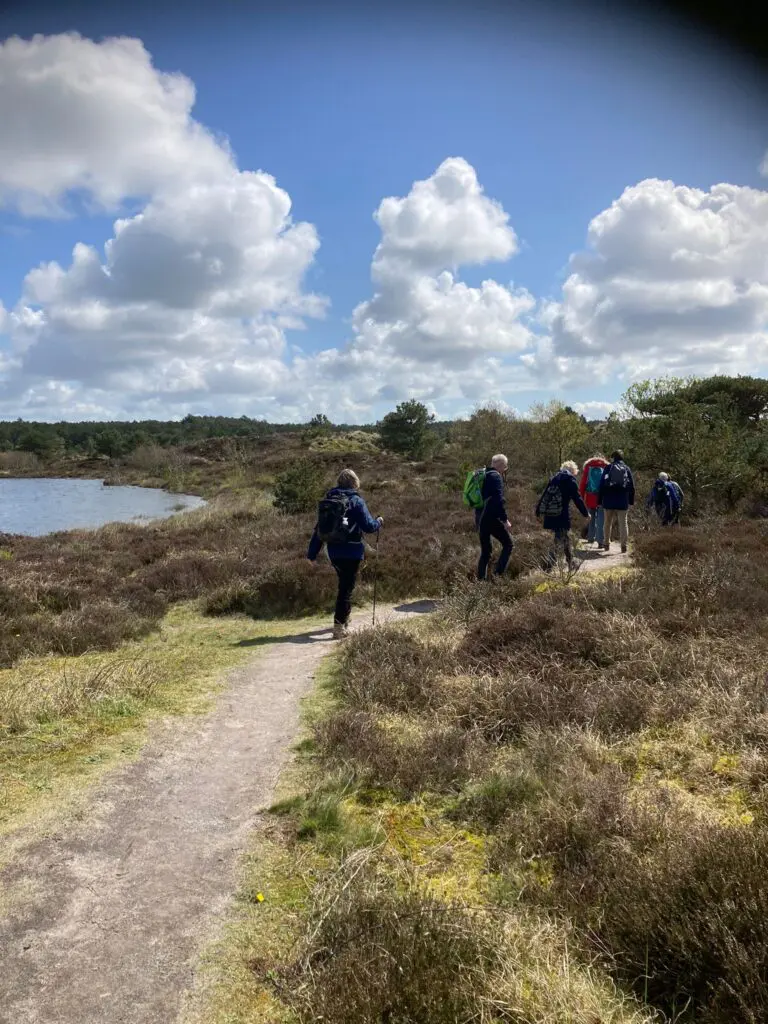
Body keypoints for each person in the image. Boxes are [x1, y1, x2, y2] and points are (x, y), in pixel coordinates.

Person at [306, 468, 383, 640]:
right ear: (354, 483)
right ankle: (339, 627)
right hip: (352, 551)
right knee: (346, 589)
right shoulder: (356, 501)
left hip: (333, 551)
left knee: (344, 585)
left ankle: (343, 619)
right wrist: (379, 522)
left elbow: (319, 530)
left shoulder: (329, 501)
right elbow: (369, 527)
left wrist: (311, 554)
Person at [536, 460, 590, 570]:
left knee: (564, 537)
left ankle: (571, 562)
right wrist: (585, 513)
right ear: (572, 470)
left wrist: (538, 510)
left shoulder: (554, 478)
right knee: (559, 539)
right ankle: (549, 564)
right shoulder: (570, 480)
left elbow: (544, 495)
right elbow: (577, 499)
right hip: (561, 514)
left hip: (550, 513)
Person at [476, 454, 514, 580]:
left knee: (486, 553)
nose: (505, 470)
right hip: (491, 518)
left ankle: (480, 585)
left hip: (479, 518)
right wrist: (505, 520)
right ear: (501, 465)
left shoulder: (482, 475)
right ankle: (497, 577)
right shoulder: (495, 477)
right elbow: (498, 500)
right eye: (505, 467)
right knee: (508, 544)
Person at [598, 449, 635, 553]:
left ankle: (606, 544)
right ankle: (623, 546)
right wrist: (631, 501)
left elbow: (601, 485)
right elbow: (632, 486)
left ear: (613, 458)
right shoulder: (626, 468)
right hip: (622, 500)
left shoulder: (608, 468)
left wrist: (600, 500)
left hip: (608, 500)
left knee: (607, 523)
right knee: (623, 523)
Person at [579, 453, 609, 546]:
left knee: (591, 517)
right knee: (601, 519)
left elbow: (583, 482)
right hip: (602, 497)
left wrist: (581, 496)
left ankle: (591, 537)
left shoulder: (588, 466)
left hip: (590, 496)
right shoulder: (606, 466)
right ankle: (600, 541)